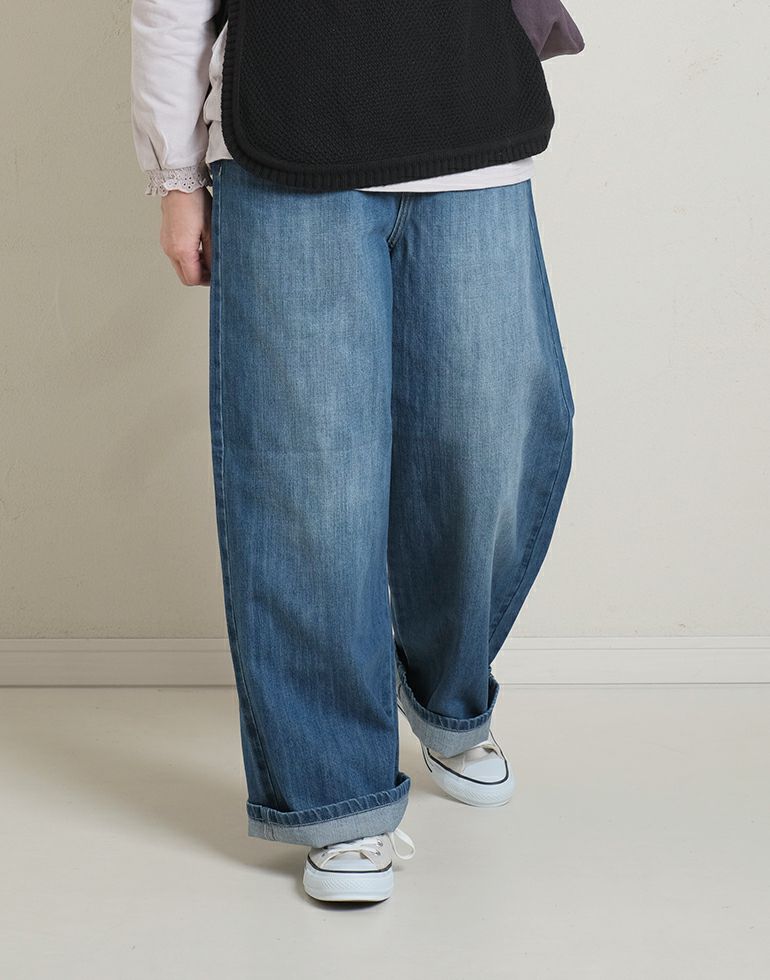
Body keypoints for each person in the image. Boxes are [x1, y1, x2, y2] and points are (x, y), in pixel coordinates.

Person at [130, 0, 584, 904]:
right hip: (286, 138)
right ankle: (335, 793)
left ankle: (448, 692)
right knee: (307, 484)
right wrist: (176, 176)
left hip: (472, 121)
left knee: (489, 441)